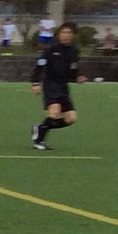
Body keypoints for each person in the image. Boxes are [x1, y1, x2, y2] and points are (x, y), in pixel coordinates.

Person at [31, 21, 81, 149]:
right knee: (54, 110)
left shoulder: (74, 52)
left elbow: (73, 70)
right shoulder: (51, 50)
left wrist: (77, 77)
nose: (65, 35)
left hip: (63, 87)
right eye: (63, 32)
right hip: (51, 84)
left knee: (71, 118)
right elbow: (39, 66)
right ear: (59, 35)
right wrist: (35, 82)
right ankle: (39, 141)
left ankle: (40, 128)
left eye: (69, 33)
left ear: (72, 35)